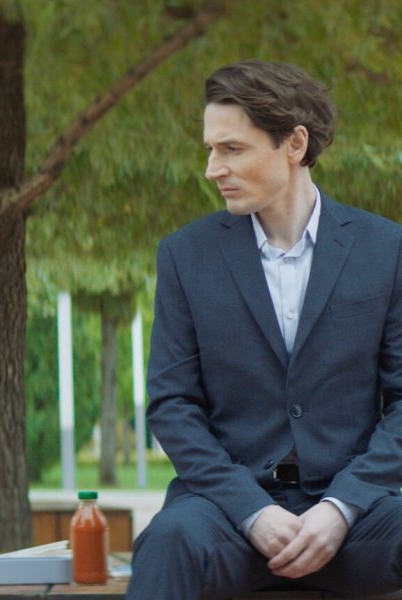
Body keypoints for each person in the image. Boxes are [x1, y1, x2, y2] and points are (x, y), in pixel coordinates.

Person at [127, 59, 402, 599]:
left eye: (232, 149)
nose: (213, 169)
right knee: (167, 540)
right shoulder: (185, 256)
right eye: (211, 149)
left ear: (294, 144)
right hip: (225, 516)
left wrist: (341, 506)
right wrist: (251, 509)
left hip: (357, 517)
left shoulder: (386, 250)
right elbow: (173, 405)